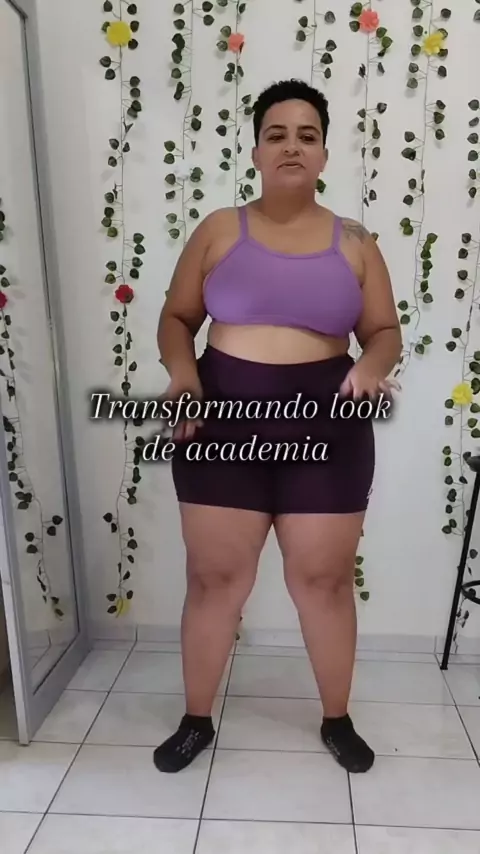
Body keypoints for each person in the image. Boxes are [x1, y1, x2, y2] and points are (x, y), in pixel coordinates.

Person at [154, 78, 402, 775]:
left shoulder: (356, 241)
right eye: (277, 134)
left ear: (324, 153)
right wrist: (184, 378)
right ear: (257, 150)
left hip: (327, 425)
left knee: (323, 580)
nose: (292, 146)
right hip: (223, 420)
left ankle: (337, 718)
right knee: (215, 578)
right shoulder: (218, 229)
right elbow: (177, 318)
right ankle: (195, 720)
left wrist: (371, 366)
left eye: (307, 135)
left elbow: (384, 332)